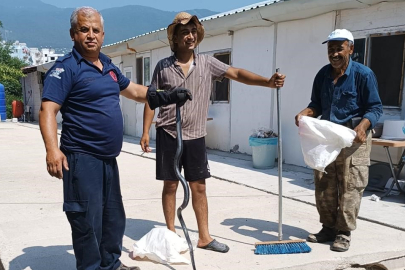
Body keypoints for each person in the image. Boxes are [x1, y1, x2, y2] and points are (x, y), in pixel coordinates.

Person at [39, 7, 191, 270]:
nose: (90, 35)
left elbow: (133, 90)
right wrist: (52, 150)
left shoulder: (107, 65)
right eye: (84, 29)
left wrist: (165, 95)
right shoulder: (66, 69)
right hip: (81, 157)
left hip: (108, 158)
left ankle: (110, 264)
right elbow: (47, 110)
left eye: (95, 30)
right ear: (73, 34)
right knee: (86, 220)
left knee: (112, 217)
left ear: (103, 34)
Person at [140, 12, 286, 253]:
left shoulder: (207, 63)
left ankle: (204, 237)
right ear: (175, 38)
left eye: (193, 31)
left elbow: (236, 73)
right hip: (168, 133)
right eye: (184, 32)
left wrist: (267, 82)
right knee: (170, 185)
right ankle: (171, 235)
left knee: (199, 186)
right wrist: (145, 131)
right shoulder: (163, 66)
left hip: (195, 135)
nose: (190, 36)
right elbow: (150, 99)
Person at [295, 29, 383, 252]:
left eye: (339, 49)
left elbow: (375, 108)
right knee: (324, 182)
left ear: (351, 49)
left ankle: (343, 232)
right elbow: (316, 104)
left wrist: (363, 127)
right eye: (330, 49)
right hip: (328, 136)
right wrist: (305, 113)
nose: (334, 54)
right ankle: (328, 228)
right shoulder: (322, 75)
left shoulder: (363, 75)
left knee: (350, 185)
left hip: (354, 137)